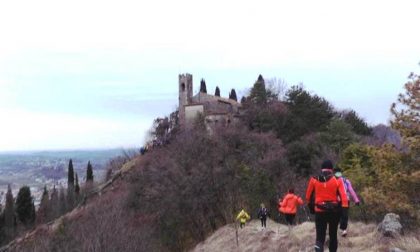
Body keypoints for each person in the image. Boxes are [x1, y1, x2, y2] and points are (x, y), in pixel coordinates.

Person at [306, 160, 348, 252]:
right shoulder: (338, 180)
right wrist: (344, 216)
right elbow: (344, 198)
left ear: (322, 169)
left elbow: (308, 197)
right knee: (333, 235)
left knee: (320, 237)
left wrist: (312, 208)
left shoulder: (314, 179)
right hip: (334, 211)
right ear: (332, 170)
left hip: (320, 211)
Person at [334, 166, 360, 237]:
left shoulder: (337, 181)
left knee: (340, 215)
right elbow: (352, 191)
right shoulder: (345, 181)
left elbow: (351, 191)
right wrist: (356, 200)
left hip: (339, 201)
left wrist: (356, 199)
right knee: (343, 215)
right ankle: (343, 229)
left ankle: (342, 230)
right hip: (344, 200)